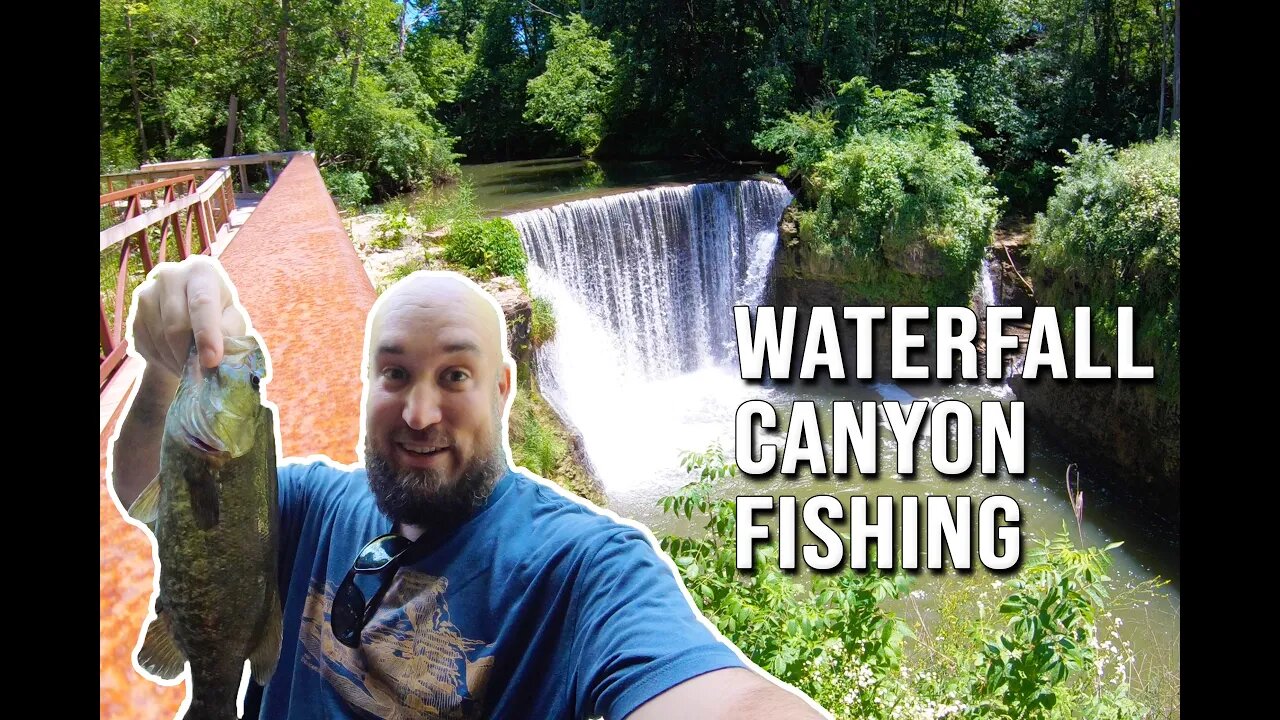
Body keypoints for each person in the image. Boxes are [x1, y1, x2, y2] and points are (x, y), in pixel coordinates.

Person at [111, 255, 827, 719]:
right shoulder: (311, 507)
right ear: (368, 388)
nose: (420, 414)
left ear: (504, 389)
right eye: (395, 374)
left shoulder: (585, 569)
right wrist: (162, 375)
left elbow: (720, 700)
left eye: (454, 375)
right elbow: (155, 490)